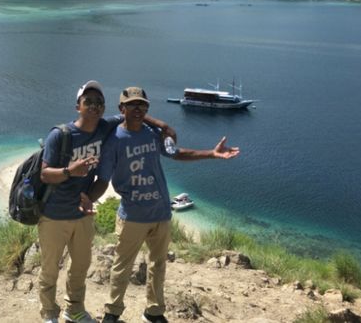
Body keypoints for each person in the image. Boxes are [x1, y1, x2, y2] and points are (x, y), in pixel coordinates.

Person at [92, 86, 240, 323]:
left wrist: (211, 154)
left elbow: (177, 152)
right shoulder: (114, 141)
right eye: (132, 105)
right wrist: (85, 199)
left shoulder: (151, 133)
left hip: (161, 213)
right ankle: (112, 312)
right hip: (132, 215)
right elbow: (103, 178)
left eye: (143, 105)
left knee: (158, 266)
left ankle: (153, 312)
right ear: (121, 109)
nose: (138, 109)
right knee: (122, 266)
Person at [38, 81, 175, 323]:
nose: (94, 106)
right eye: (88, 101)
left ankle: (74, 310)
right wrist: (70, 171)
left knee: (79, 267)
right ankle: (49, 313)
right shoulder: (59, 135)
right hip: (54, 213)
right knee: (50, 269)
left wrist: (163, 125)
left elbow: (135, 114)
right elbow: (44, 174)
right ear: (77, 106)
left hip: (82, 213)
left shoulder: (105, 126)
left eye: (99, 102)